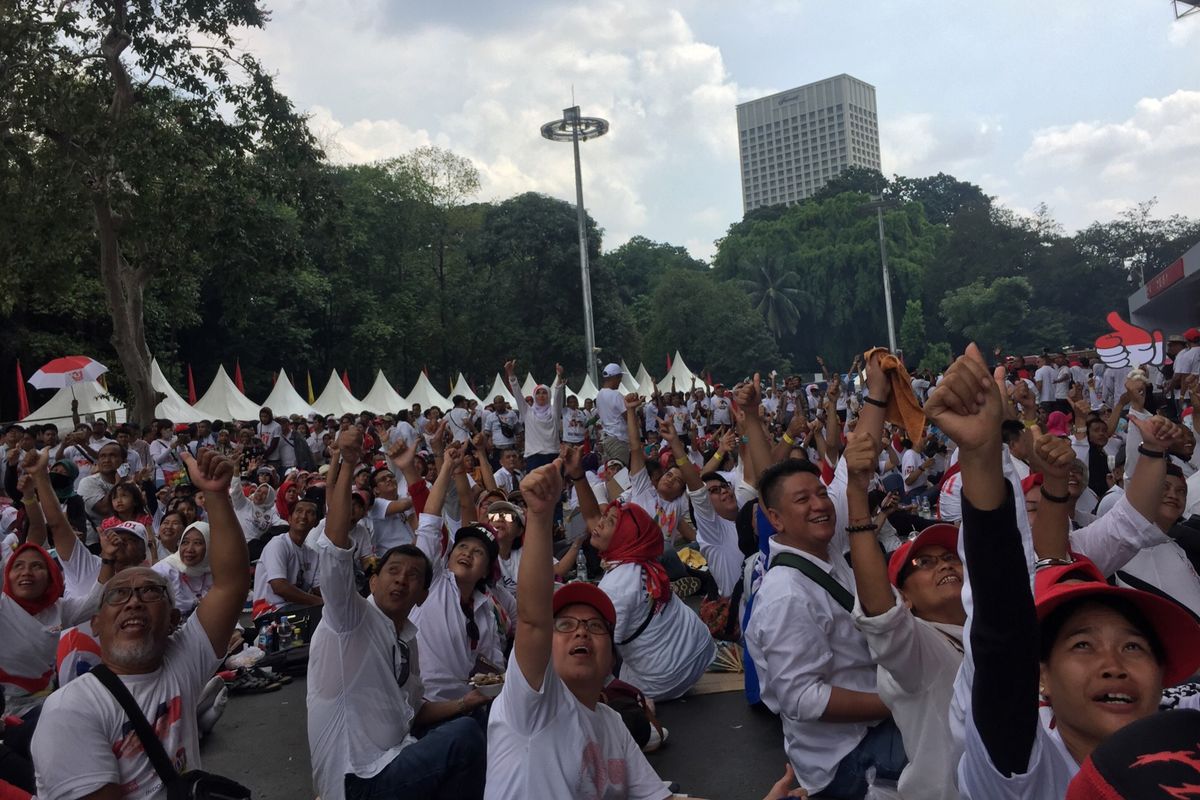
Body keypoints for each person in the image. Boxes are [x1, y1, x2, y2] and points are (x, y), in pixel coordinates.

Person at [926, 343, 1200, 799]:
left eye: (1134, 646)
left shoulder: (1183, 729)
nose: (1113, 666)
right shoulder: (1023, 772)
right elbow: (1000, 627)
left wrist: (1153, 450)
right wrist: (981, 454)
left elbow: (1130, 525)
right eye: (1082, 645)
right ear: (1041, 676)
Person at [31, 448, 250, 800]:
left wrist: (216, 494)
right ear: (96, 623)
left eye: (149, 592)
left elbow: (232, 583)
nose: (133, 600)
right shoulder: (70, 709)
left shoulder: (182, 662)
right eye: (117, 596)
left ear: (173, 617)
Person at [744, 357, 905, 800]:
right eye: (803, 500)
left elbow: (859, 464)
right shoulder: (784, 596)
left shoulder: (824, 540)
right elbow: (802, 700)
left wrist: (876, 392)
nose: (820, 504)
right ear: (774, 518)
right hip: (848, 756)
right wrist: (896, 702)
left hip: (872, 722)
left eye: (820, 493)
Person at [307, 429, 487, 800]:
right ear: (372, 581)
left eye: (413, 577)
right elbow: (336, 544)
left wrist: (465, 703)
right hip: (359, 779)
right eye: (392, 571)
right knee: (464, 737)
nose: (402, 580)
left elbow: (416, 711)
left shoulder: (408, 636)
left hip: (399, 756)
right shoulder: (349, 619)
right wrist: (348, 463)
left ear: (424, 593)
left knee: (480, 719)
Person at [484, 459, 673, 799]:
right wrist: (540, 517)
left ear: (610, 657)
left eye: (595, 626)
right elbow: (531, 620)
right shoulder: (530, 705)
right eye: (566, 625)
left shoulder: (611, 724)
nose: (581, 632)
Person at [842, 429, 965, 800]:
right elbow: (882, 617)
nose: (943, 565)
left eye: (949, 557)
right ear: (904, 598)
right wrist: (856, 500)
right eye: (923, 564)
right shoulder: (918, 649)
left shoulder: (979, 627)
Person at [569, 446, 715, 702]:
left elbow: (599, 652)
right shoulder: (642, 560)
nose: (600, 524)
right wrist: (578, 477)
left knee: (579, 658)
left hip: (664, 678)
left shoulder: (616, 586)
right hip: (700, 653)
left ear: (625, 537)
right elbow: (593, 517)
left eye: (610, 522)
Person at [410, 441, 505, 704]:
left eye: (478, 553)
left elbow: (492, 662)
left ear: (486, 570)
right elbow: (429, 521)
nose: (467, 553)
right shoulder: (432, 581)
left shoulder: (485, 608)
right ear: (448, 556)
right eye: (462, 547)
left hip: (469, 706)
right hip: (423, 706)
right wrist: (448, 467)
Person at [250, 496, 322, 619]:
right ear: (289, 519)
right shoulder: (278, 544)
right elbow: (279, 587)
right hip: (269, 610)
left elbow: (318, 588)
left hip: (295, 609)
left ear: (316, 523)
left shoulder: (312, 554)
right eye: (299, 511)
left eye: (310, 513)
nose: (303, 516)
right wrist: (319, 602)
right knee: (322, 613)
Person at [506, 360, 566, 472]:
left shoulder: (554, 412)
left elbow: (558, 396)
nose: (541, 395)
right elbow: (517, 393)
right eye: (538, 393)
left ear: (549, 395)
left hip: (553, 455)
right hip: (534, 457)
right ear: (534, 396)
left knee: (554, 488)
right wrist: (511, 374)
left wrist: (559, 377)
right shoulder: (527, 412)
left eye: (544, 392)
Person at [151, 521, 213, 618]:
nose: (189, 549)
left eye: (197, 543)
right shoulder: (163, 571)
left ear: (209, 546)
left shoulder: (212, 572)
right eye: (185, 542)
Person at [596, 363, 631, 466]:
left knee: (610, 472)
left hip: (606, 438)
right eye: (620, 377)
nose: (620, 381)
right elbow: (628, 418)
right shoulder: (616, 395)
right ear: (615, 377)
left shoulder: (599, 394)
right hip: (618, 439)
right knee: (620, 474)